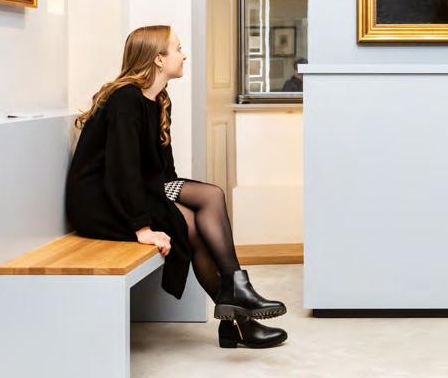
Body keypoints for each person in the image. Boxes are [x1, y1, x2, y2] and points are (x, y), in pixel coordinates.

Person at [66, 25, 288, 349]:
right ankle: (238, 311)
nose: (184, 55)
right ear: (158, 59)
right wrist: (142, 228)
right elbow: (121, 171)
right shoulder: (125, 100)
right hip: (99, 202)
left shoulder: (158, 99)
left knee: (206, 203)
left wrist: (173, 199)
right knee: (199, 213)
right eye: (178, 49)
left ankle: (237, 306)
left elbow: (164, 174)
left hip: (136, 190)